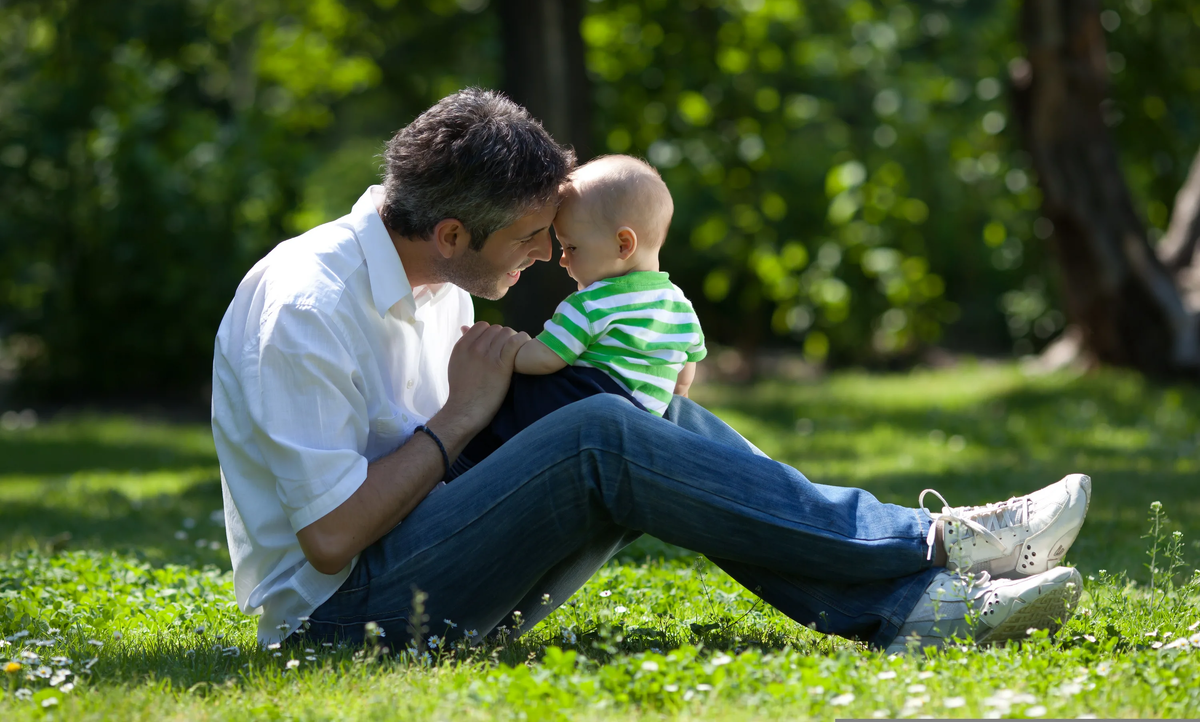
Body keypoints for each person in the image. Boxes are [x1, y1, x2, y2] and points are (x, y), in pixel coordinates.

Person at [211, 88, 1092, 655]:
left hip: (436, 553)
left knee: (634, 410)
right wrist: (458, 423)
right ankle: (935, 543)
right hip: (342, 615)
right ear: (451, 233)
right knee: (602, 430)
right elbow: (327, 540)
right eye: (529, 241)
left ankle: (917, 606)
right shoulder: (307, 307)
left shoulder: (437, 279)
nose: (544, 262)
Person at [450, 154, 704, 476]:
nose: (562, 260)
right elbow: (683, 379)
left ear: (623, 244)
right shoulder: (680, 305)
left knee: (517, 395)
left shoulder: (593, 302)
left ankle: (464, 465)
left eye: (571, 248)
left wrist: (503, 351)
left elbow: (544, 359)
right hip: (641, 423)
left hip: (582, 409)